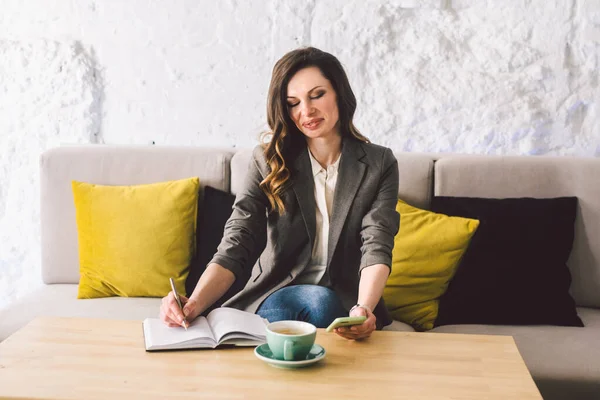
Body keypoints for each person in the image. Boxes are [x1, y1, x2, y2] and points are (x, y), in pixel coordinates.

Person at [160, 47, 400, 340]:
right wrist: (194, 303)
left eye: (317, 95)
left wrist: (364, 307)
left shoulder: (378, 163)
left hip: (347, 301)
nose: (306, 111)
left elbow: (377, 240)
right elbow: (238, 240)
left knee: (326, 305)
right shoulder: (268, 160)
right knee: (319, 302)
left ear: (339, 93)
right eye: (293, 103)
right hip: (279, 295)